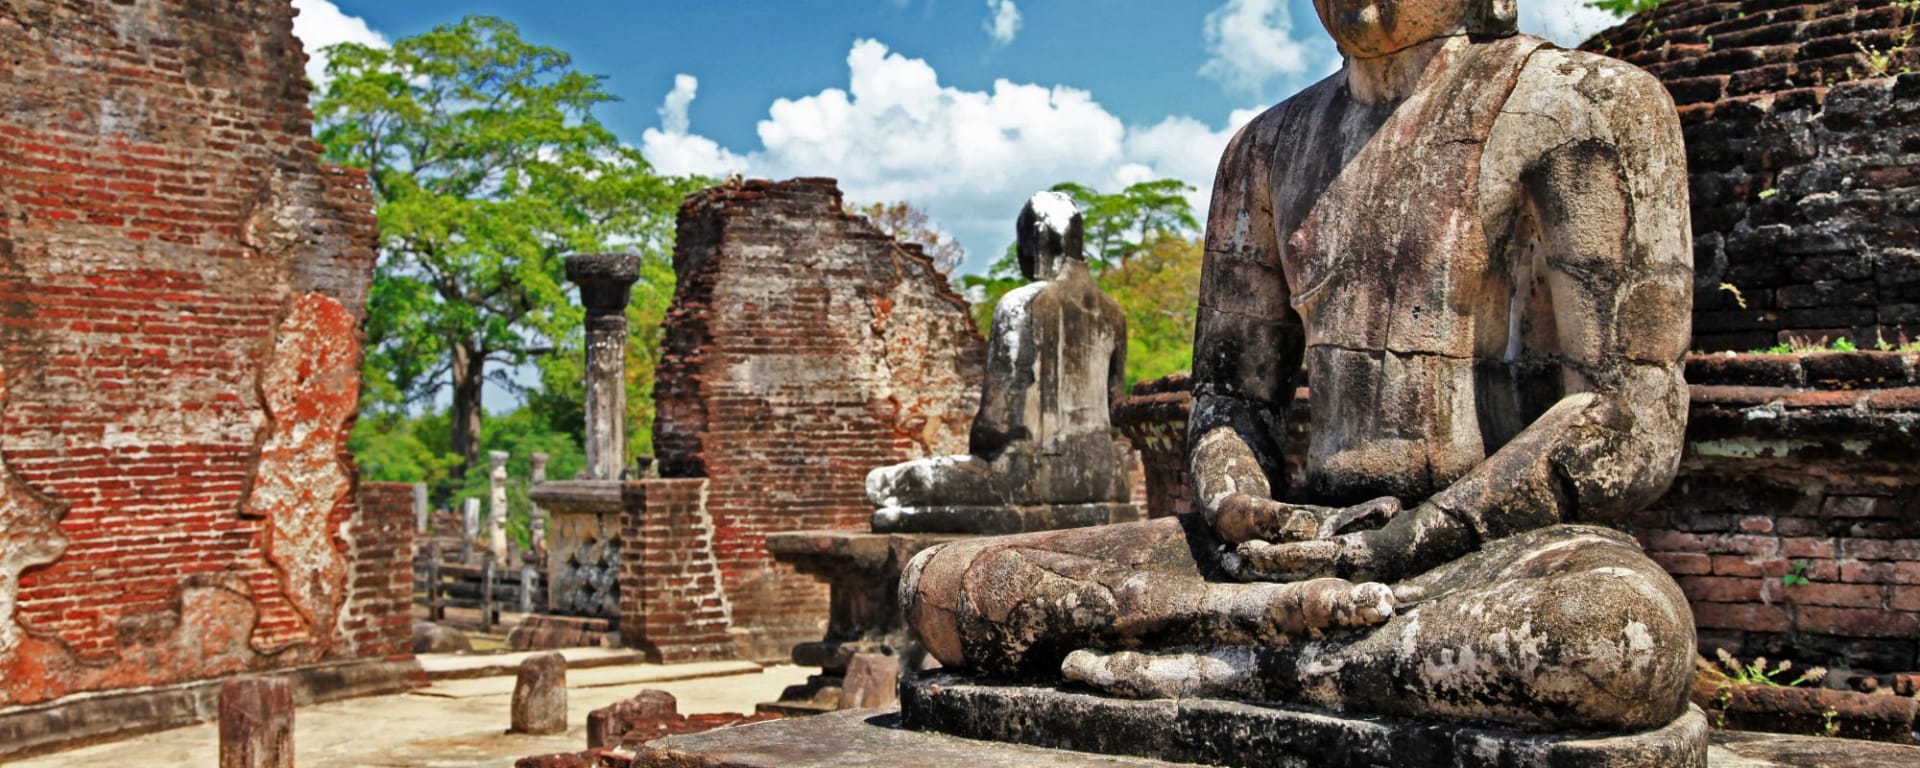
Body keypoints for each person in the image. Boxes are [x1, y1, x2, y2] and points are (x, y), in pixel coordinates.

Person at [901, 0, 1697, 732]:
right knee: (944, 586)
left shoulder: (1586, 105)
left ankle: (1230, 659)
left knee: (1618, 640)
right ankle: (1278, 641)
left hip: (1482, 555)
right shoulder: (1266, 146)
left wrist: (1413, 539)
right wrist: (1237, 498)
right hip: (1296, 545)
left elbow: (1628, 422)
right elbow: (1230, 397)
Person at [866, 191, 1129, 518]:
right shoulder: (1113, 313)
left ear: (1038, 238)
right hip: (1104, 478)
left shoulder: (1022, 305)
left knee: (884, 485)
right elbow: (1117, 412)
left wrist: (981, 449)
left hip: (1027, 476)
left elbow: (997, 420)